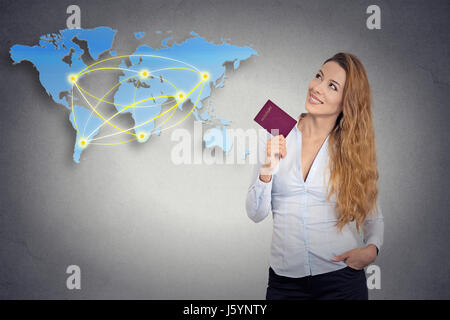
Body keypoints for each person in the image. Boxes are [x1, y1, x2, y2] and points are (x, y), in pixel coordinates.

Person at [245, 52, 384, 300]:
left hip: (341, 280)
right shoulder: (277, 130)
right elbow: (255, 214)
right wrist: (267, 169)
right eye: (318, 76)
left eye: (332, 86)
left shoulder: (351, 149)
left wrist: (371, 251)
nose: (317, 88)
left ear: (346, 102)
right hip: (285, 283)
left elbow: (373, 216)